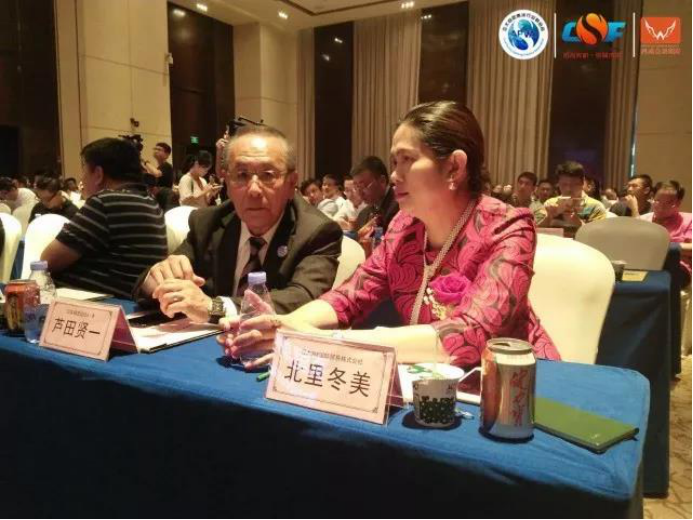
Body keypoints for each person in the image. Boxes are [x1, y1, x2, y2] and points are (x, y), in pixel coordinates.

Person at [220, 101, 560, 371]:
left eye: (407, 160)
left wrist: (326, 342)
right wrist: (281, 324)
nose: (394, 175)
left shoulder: (508, 227)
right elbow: (350, 296)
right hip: (430, 379)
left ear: (454, 167)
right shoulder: (404, 227)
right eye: (394, 161)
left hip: (515, 387)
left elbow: (471, 333)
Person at [134, 124, 343, 323]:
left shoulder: (317, 232)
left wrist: (214, 307)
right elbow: (145, 287)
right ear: (227, 182)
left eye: (268, 175)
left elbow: (302, 298)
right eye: (241, 175)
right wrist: (158, 280)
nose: (254, 190)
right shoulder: (208, 222)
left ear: (291, 183)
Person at [41, 138, 168, 299]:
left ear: (98, 174)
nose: (82, 179)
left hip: (92, 303)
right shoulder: (151, 203)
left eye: (84, 170)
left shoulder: (104, 202)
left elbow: (46, 262)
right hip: (128, 301)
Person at [640, 181, 692, 283]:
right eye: (657, 201)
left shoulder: (688, 220)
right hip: (643, 263)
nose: (661, 207)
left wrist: (662, 247)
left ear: (678, 203)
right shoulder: (643, 220)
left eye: (669, 202)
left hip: (676, 267)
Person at [539, 161, 607, 236]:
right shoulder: (550, 203)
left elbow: (597, 236)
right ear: (558, 183)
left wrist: (576, 221)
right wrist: (549, 217)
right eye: (564, 184)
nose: (568, 189)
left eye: (574, 185)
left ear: (582, 183)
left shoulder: (595, 206)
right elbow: (536, 232)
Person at [353, 156, 399, 238]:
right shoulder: (363, 214)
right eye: (357, 187)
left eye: (363, 186)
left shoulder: (400, 207)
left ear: (382, 181)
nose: (360, 193)